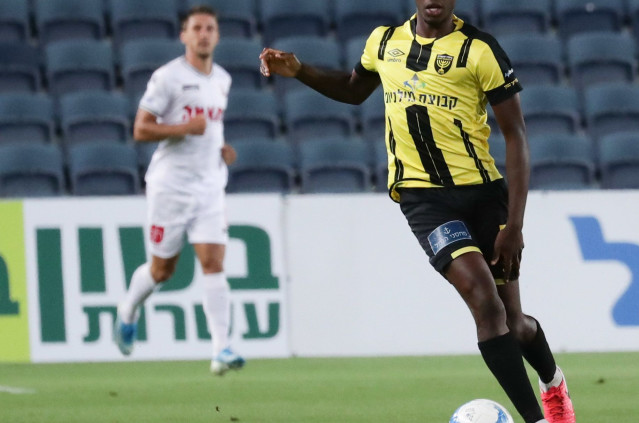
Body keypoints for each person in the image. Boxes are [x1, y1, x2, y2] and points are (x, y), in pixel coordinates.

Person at [258, 0, 575, 421]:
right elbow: (353, 90)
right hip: (425, 200)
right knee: (485, 303)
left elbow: (515, 136)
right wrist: (301, 71)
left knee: (514, 324)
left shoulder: (480, 50)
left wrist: (514, 225)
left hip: (484, 196)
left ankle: (553, 383)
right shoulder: (383, 42)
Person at [113, 5, 245, 376]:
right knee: (162, 270)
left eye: (210, 28)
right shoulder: (168, 77)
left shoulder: (222, 79)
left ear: (217, 36)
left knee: (213, 262)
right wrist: (183, 129)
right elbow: (141, 129)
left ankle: (221, 349)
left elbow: (210, 126)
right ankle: (128, 309)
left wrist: (220, 148)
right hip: (170, 187)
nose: (203, 34)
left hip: (209, 186)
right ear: (184, 35)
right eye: (197, 28)